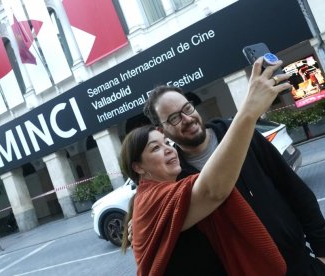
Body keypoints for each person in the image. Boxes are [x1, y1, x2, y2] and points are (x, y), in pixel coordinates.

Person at [122, 59, 325, 274]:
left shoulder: (240, 135)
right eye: (173, 118)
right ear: (161, 129)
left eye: (187, 108)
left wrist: (322, 252)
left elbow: (294, 189)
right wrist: (147, 225)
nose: (187, 119)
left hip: (300, 263)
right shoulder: (175, 177)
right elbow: (199, 198)